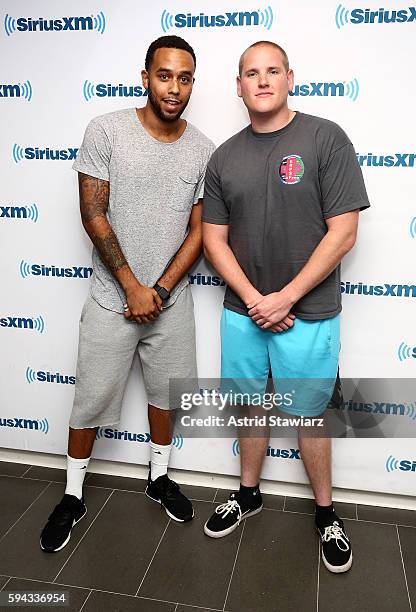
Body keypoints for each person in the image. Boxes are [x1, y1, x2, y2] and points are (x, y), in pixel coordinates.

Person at [40, 35, 214, 553]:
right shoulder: (107, 130)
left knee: (167, 398)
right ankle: (72, 495)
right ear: (145, 77)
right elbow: (93, 213)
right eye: (165, 75)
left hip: (171, 301)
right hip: (109, 297)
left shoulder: (204, 149)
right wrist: (132, 287)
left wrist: (158, 289)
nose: (174, 88)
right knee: (91, 399)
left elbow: (200, 232)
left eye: (185, 78)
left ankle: (158, 478)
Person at [202, 41, 370, 573]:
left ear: (290, 77)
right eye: (251, 73)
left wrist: (286, 298)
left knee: (310, 414)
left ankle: (326, 513)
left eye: (272, 70)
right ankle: (247, 494)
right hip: (243, 311)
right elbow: (213, 240)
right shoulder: (224, 156)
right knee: (249, 407)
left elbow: (344, 231)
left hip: (310, 312)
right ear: (238, 86)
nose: (262, 80)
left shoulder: (326, 138)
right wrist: (256, 301)